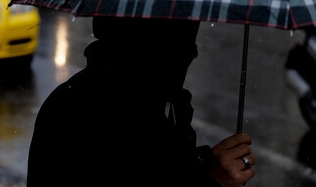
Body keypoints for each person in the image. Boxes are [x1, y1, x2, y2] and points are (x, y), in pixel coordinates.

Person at [27, 16, 255, 187]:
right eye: (182, 49)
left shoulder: (149, 102)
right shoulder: (106, 114)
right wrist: (214, 181)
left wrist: (206, 165)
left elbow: (168, 167)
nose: (188, 58)